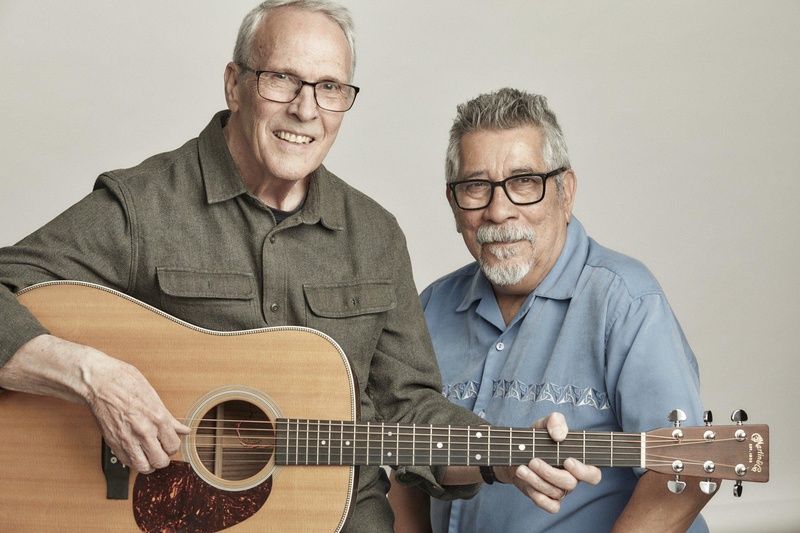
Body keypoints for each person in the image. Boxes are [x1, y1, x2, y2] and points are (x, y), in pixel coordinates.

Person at [0, 4, 599, 531]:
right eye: (282, 79)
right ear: (235, 84)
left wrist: (499, 454)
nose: (306, 109)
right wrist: (94, 379)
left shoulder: (375, 235)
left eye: (330, 87)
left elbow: (408, 410)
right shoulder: (144, 206)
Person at [388, 88, 715, 532]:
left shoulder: (627, 302)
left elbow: (685, 473)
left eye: (524, 182)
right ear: (453, 202)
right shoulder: (430, 307)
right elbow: (407, 466)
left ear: (566, 191)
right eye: (476, 186)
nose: (499, 211)